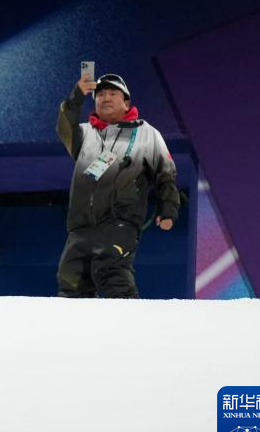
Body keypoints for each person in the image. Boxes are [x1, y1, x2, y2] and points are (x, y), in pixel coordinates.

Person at [56, 72, 180, 298]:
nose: (106, 98)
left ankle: (130, 330)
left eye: (113, 93)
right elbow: (64, 126)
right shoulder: (85, 133)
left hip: (120, 223)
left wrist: (168, 208)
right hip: (81, 227)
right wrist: (77, 95)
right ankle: (77, 333)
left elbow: (166, 174)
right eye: (101, 94)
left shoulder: (146, 133)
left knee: (111, 272)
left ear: (126, 103)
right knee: (70, 281)